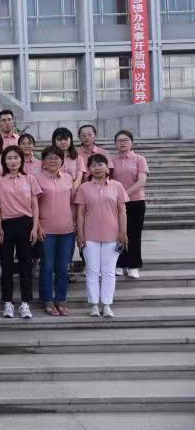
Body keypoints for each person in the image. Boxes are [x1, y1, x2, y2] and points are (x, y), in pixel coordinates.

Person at [0, 146, 42, 319]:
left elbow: (35, 204)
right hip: (5, 225)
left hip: (26, 224)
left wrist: (35, 227)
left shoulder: (30, 179)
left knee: (26, 264)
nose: (13, 161)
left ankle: (25, 303)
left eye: (16, 158)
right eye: (9, 158)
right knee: (6, 265)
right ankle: (8, 302)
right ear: (4, 161)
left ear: (21, 160)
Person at [75, 154, 128, 318]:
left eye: (100, 164)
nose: (97, 168)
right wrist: (80, 234)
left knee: (109, 272)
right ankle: (94, 305)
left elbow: (122, 211)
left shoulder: (117, 186)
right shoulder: (84, 188)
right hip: (90, 235)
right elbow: (80, 213)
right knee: (92, 271)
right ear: (89, 169)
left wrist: (123, 232)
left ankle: (106, 305)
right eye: (93, 165)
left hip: (112, 235)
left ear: (107, 167)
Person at [36, 146, 75, 317]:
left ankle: (61, 299)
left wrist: (75, 223)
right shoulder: (36, 179)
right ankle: (47, 300)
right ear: (43, 161)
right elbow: (33, 205)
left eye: (57, 158)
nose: (53, 160)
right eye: (49, 158)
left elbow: (73, 203)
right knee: (47, 266)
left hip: (67, 230)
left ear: (62, 161)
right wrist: (37, 226)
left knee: (63, 267)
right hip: (47, 230)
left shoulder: (68, 178)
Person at [112, 130, 148, 280]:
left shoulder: (139, 159)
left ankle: (133, 266)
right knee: (118, 233)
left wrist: (125, 194)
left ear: (131, 142)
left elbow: (141, 181)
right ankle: (120, 264)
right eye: (119, 140)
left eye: (125, 140)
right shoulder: (111, 160)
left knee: (134, 234)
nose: (122, 143)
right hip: (116, 202)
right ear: (115, 143)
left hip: (136, 201)